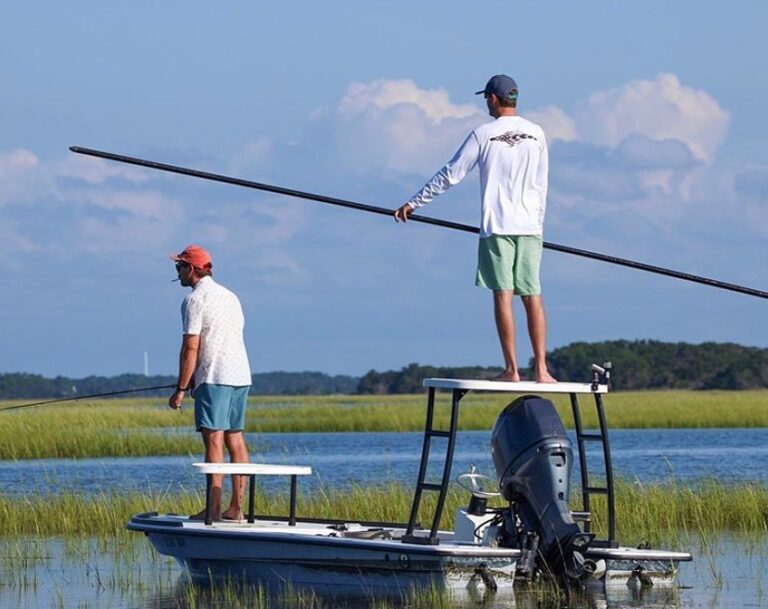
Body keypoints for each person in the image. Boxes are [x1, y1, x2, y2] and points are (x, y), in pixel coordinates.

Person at [394, 75, 556, 383]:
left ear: (494, 98)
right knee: (532, 294)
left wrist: (414, 204)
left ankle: (512, 370)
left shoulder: (483, 134)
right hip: (531, 228)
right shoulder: (537, 134)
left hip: (497, 227)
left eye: (486, 99)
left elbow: (451, 174)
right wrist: (537, 224)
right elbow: (542, 183)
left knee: (503, 295)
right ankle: (542, 370)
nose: (486, 104)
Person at [168, 244, 253, 520]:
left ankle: (214, 510)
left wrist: (181, 388)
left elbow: (191, 347)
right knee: (235, 439)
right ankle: (236, 509)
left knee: (213, 442)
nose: (177, 271)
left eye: (179, 266)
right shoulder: (231, 296)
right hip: (240, 375)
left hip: (214, 377)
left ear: (191, 269)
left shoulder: (194, 300)